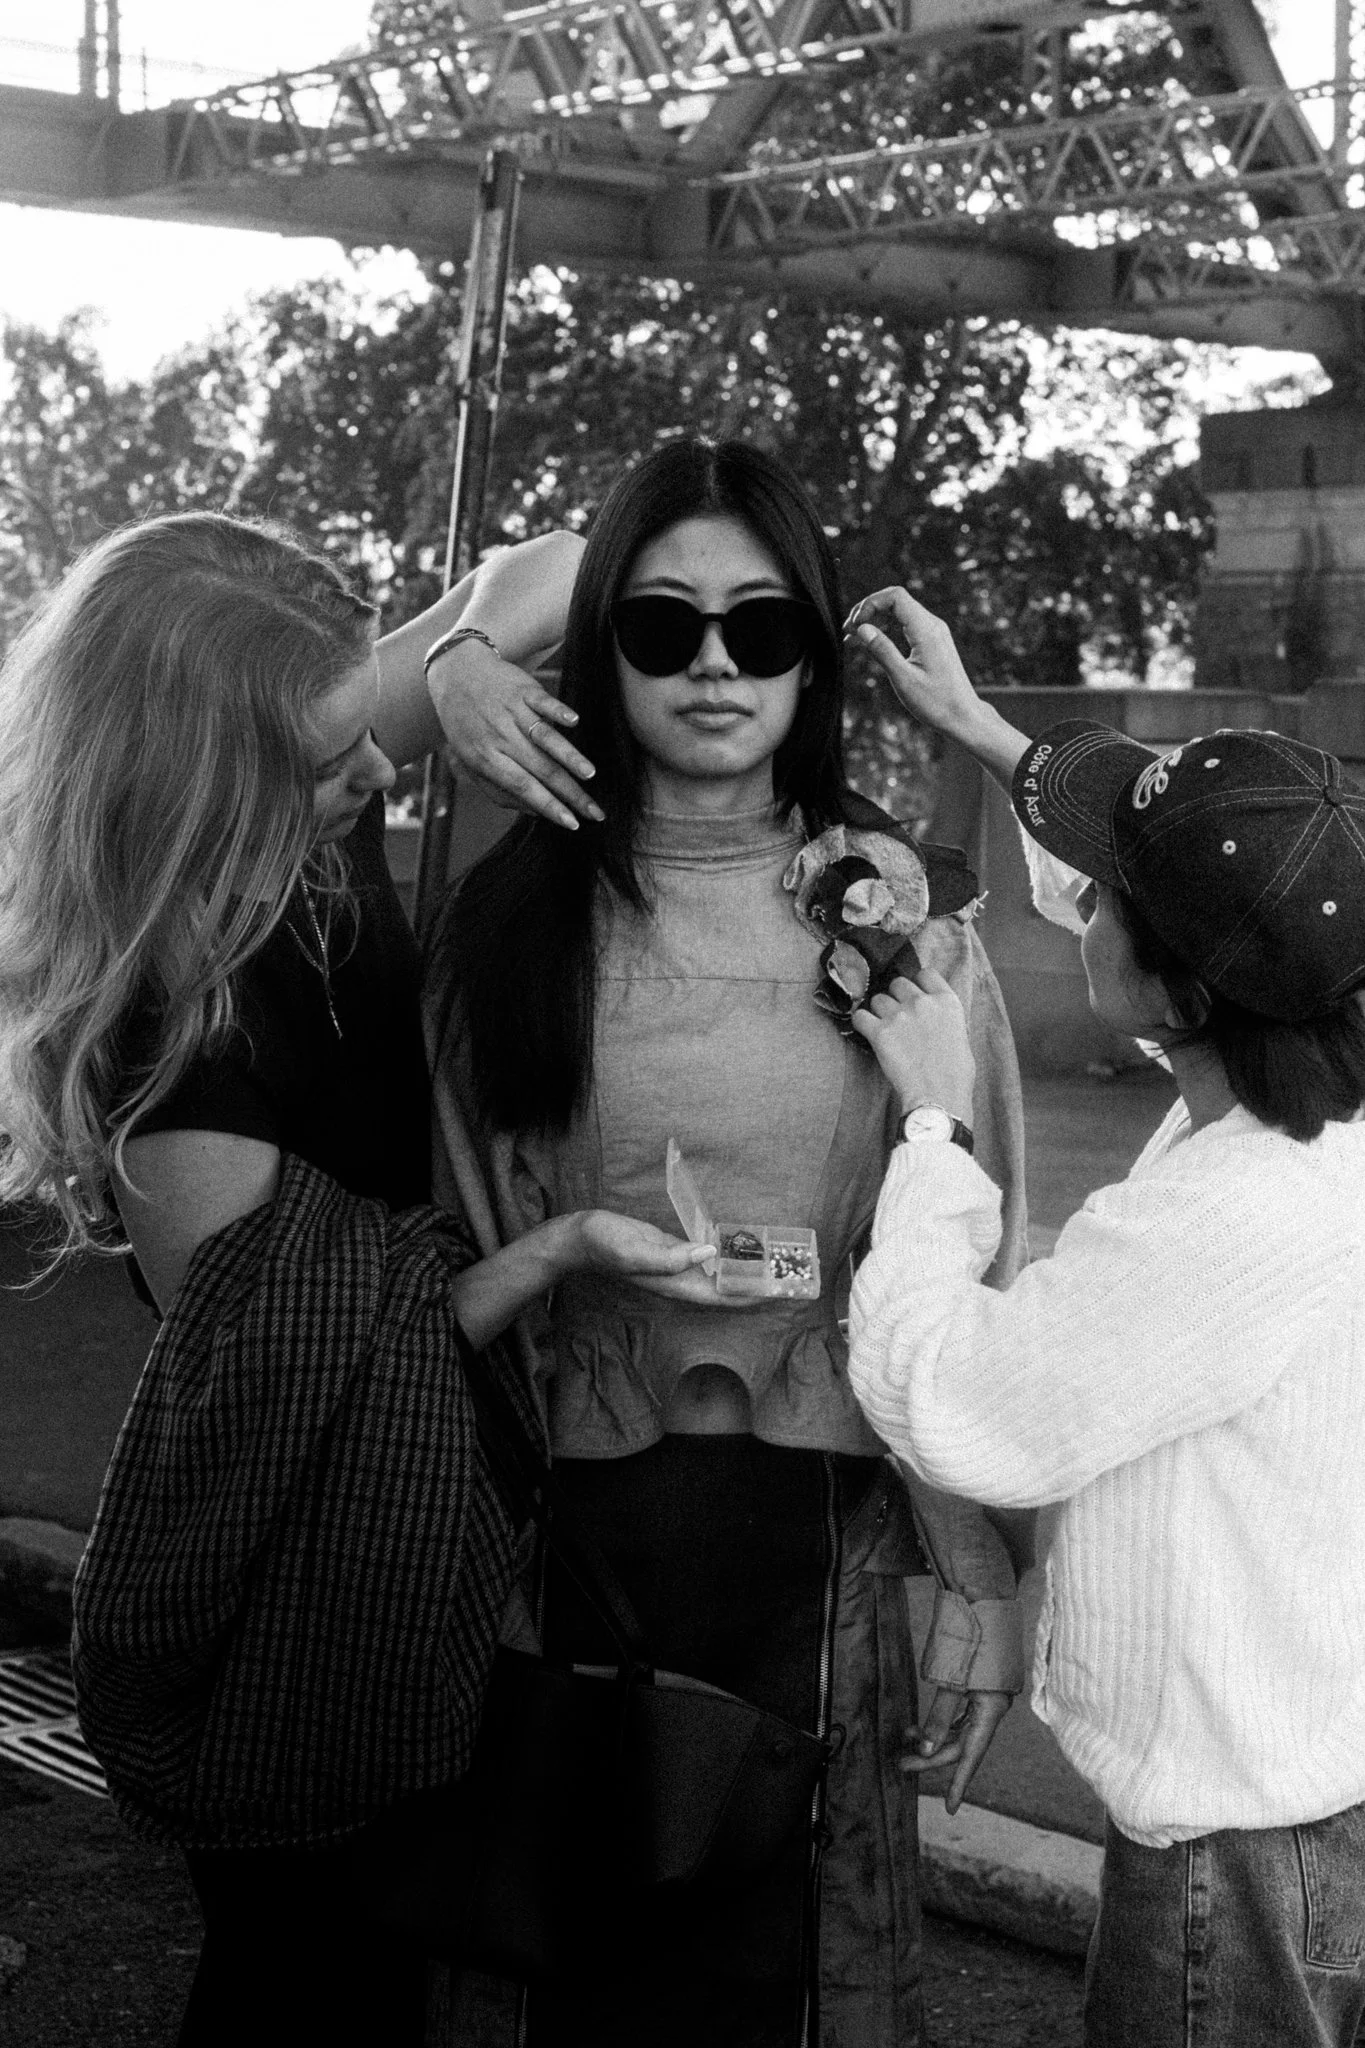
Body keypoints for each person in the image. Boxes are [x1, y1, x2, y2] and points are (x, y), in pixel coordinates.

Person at [0, 510, 723, 2046]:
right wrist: (562, 1246)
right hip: (295, 1581)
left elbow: (575, 556)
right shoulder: (167, 1049)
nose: (378, 773)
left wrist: (459, 657)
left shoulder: (289, 769)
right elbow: (322, 1364)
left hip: (416, 1521)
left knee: (395, 1972)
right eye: (341, 763)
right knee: (303, 1979)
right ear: (200, 786)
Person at [425, 438, 1032, 2048]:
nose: (711, 666)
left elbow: (966, 1265)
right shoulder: (502, 932)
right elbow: (449, 1281)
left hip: (820, 1562)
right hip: (558, 1555)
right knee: (568, 1976)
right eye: (661, 623)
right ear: (601, 640)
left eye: (763, 630)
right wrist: (452, 656)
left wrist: (977, 1572)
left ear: (816, 659)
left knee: (796, 1990)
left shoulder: (910, 921)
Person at [841, 584, 1365, 2048]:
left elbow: (959, 1399)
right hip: (1312, 1795)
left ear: (1173, 979)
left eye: (1107, 888)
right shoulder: (1313, 1082)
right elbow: (1175, 902)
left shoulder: (1227, 1218)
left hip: (1234, 1866)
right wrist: (972, 723)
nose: (1073, 893)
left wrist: (936, 1127)